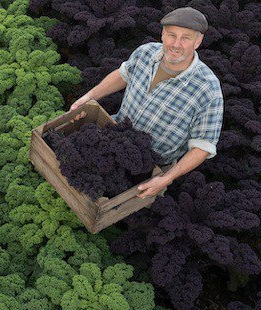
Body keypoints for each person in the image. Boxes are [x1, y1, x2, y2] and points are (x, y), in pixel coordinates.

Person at [70, 7, 223, 199]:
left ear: (198, 41)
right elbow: (122, 75)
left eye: (186, 38)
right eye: (171, 35)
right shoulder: (145, 53)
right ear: (162, 34)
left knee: (122, 207)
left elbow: (203, 146)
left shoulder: (208, 89)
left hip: (149, 166)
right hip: (113, 137)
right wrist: (88, 98)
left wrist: (166, 178)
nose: (176, 44)